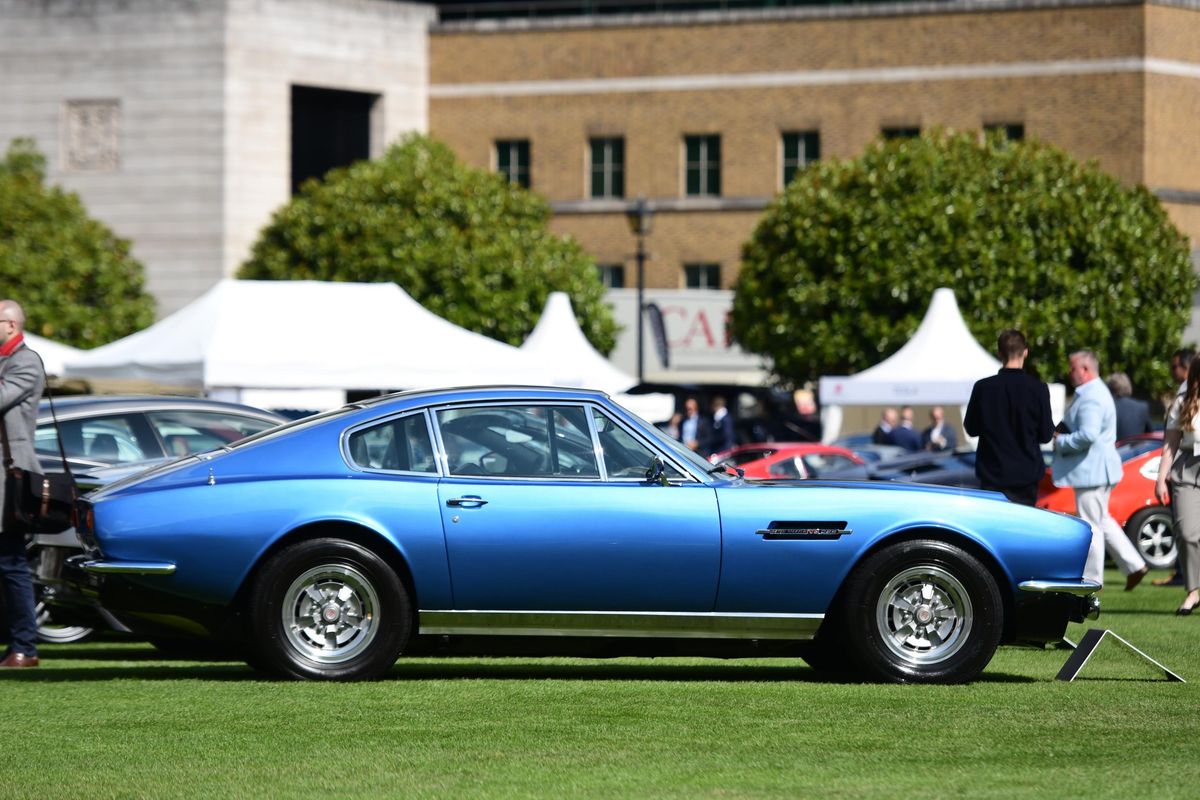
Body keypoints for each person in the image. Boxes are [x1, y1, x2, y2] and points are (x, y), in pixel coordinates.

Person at [1053, 349, 1148, 590]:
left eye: (1073, 368)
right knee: (1101, 520)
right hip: (1097, 470)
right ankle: (1134, 565)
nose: (1070, 373)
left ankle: (1093, 579)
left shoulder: (1092, 395)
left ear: (1085, 369)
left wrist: (1060, 442)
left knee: (1091, 524)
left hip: (1092, 471)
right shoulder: (1094, 392)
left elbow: (1088, 435)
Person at [0, 300, 45, 668]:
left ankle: (25, 648)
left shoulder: (25, 362)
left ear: (11, 324)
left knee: (11, 562)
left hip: (10, 479)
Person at [963, 329, 1054, 506]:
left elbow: (971, 429)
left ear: (999, 353)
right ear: (1025, 352)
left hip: (992, 474)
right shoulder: (1038, 389)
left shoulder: (983, 388)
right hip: (1026, 476)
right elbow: (1045, 435)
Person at [1154, 356, 1200, 615]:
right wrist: (1161, 477)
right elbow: (1170, 444)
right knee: (1187, 533)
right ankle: (1193, 591)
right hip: (1187, 469)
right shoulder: (1182, 403)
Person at [1106, 372, 1152, 440]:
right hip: (1136, 449)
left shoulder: (1107, 407)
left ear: (1109, 388)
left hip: (1114, 448)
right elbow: (1150, 434)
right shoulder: (1142, 407)